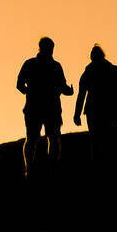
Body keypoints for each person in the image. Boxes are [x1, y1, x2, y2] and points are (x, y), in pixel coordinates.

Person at [16, 36, 73, 176]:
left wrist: (28, 92)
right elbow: (62, 87)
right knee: (50, 138)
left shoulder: (30, 64)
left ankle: (30, 169)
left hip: (36, 107)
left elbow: (19, 85)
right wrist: (68, 91)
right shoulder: (55, 66)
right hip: (49, 108)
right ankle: (48, 169)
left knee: (34, 139)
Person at [73, 44, 117, 168]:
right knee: (105, 140)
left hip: (99, 110)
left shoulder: (90, 72)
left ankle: (100, 166)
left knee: (98, 141)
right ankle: (103, 165)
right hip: (105, 110)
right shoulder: (113, 70)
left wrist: (77, 114)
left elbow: (81, 95)